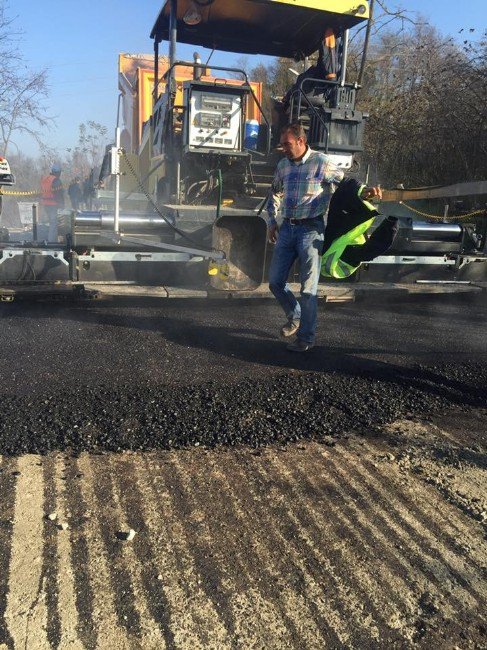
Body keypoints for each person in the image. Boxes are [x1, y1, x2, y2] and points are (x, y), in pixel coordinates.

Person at [267, 123, 380, 352]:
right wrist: (272, 221)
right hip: (287, 229)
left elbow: (347, 185)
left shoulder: (321, 162)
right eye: (282, 145)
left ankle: (306, 338)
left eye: (287, 144)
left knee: (308, 289)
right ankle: (295, 316)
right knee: (275, 282)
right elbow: (274, 193)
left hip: (311, 230)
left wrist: (366, 192)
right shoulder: (282, 166)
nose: (284, 149)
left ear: (301, 141)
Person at [40, 164, 64, 242]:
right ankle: (52, 241)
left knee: (50, 222)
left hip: (45, 203)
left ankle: (49, 239)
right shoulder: (56, 180)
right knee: (54, 223)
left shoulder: (46, 179)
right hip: (53, 204)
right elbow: (58, 194)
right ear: (58, 173)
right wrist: (62, 204)